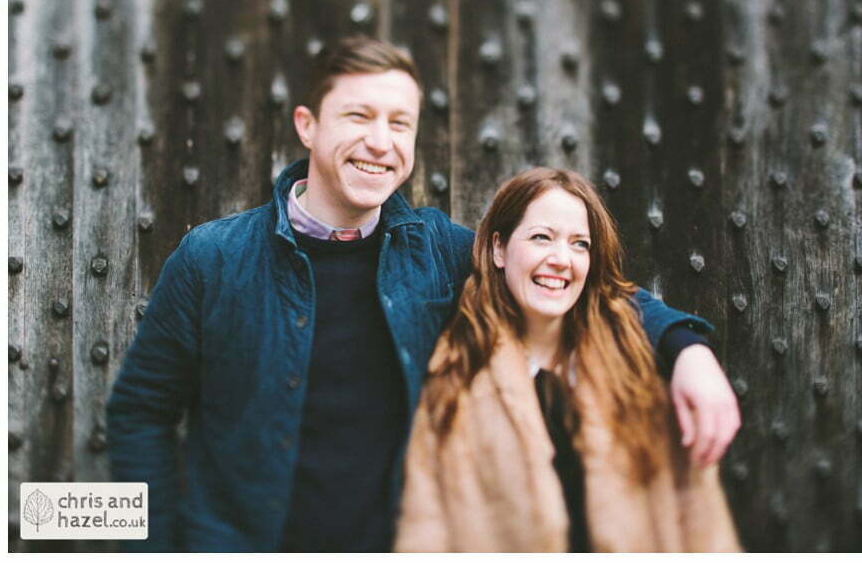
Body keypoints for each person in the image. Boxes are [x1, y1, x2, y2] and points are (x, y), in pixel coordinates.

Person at [106, 36, 738, 552]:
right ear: (307, 125)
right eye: (358, 116)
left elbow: (574, 287)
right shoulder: (214, 258)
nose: (381, 141)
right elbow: (141, 411)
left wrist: (687, 350)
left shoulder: (436, 248)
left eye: (399, 123)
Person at [394, 168, 741, 552]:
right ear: (498, 249)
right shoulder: (455, 374)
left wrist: (691, 350)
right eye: (541, 237)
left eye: (580, 244)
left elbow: (702, 528)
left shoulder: (641, 366)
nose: (562, 259)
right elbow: (425, 530)